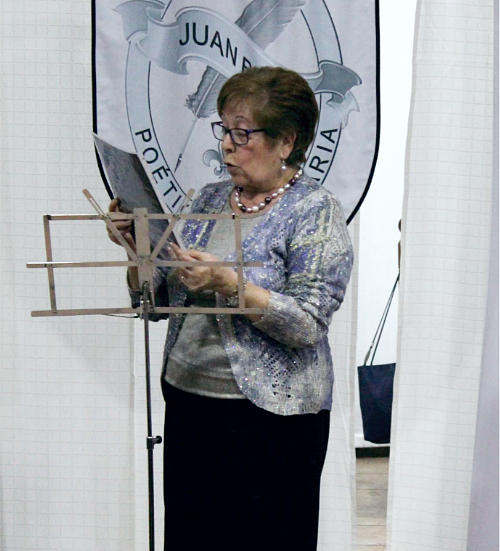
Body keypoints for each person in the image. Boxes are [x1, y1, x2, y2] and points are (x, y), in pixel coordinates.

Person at [108, 66, 353, 551]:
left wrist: (229, 283)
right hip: (191, 404)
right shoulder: (207, 199)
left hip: (270, 422)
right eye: (224, 130)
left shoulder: (316, 211)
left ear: (286, 141)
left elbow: (307, 323)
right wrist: (137, 249)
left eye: (242, 133)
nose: (227, 145)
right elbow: (158, 304)